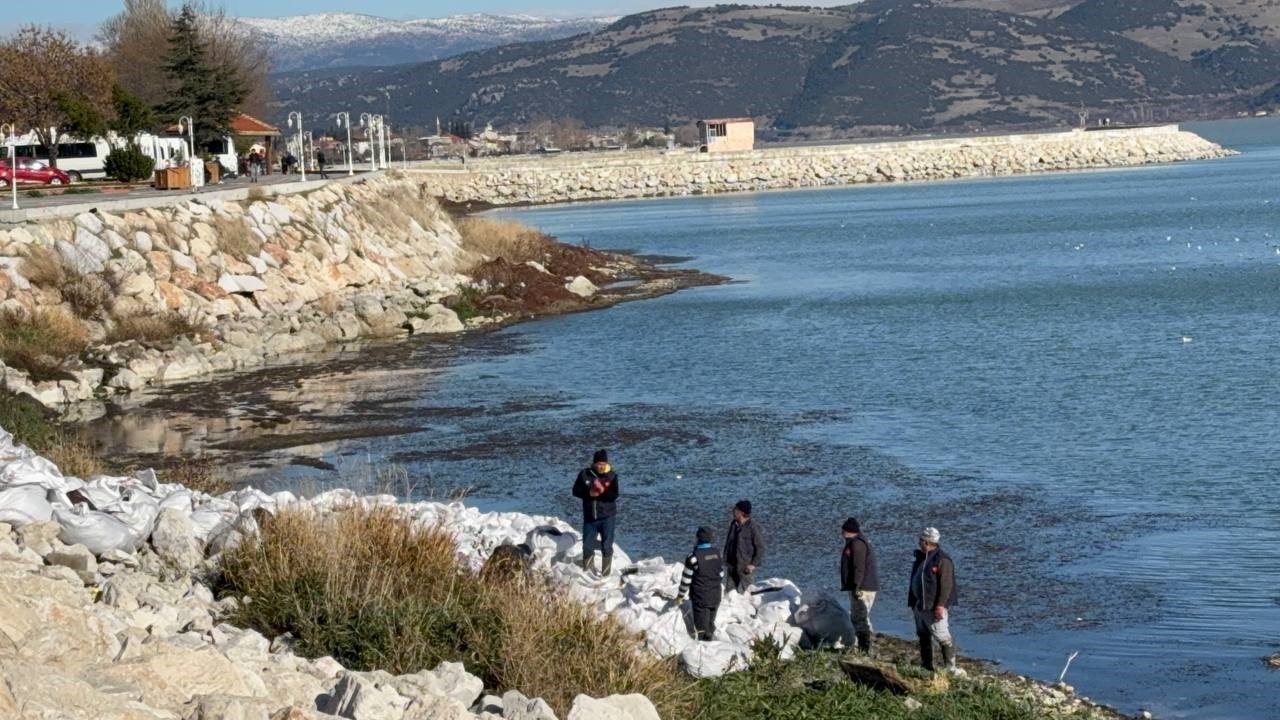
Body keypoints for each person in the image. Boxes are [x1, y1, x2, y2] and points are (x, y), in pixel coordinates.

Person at [908, 526, 963, 675]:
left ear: (926, 542)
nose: (919, 543)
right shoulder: (921, 558)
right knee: (923, 635)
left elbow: (946, 585)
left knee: (942, 635)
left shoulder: (942, 560)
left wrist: (940, 605)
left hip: (933, 606)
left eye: (921, 540)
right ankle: (927, 666)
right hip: (920, 605)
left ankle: (951, 668)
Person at [572, 449, 619, 576]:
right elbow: (575, 491)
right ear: (594, 464)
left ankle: (606, 574)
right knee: (587, 546)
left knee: (606, 547)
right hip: (590, 518)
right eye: (599, 463)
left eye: (603, 463)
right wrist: (589, 493)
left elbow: (614, 495)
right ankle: (588, 573)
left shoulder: (612, 476)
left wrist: (601, 491)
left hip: (607, 517)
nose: (601, 466)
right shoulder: (584, 475)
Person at [840, 517, 880, 656]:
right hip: (862, 586)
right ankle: (866, 646)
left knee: (860, 617)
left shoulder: (857, 545)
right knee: (861, 616)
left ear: (849, 531)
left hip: (863, 588)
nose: (842, 533)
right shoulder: (856, 542)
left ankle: (865, 649)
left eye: (843, 531)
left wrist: (857, 586)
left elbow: (859, 567)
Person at [676, 526, 723, 641]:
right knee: (710, 625)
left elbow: (686, 580)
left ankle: (704, 652)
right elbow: (721, 574)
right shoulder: (717, 554)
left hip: (701, 598)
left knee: (702, 629)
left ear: (697, 538)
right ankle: (711, 646)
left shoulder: (693, 557)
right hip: (716, 596)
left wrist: (680, 596)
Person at [723, 500, 764, 593]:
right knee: (730, 593)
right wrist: (725, 560)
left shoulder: (753, 527)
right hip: (732, 565)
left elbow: (760, 548)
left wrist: (753, 564)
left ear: (741, 512)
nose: (733, 511)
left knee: (748, 593)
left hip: (745, 567)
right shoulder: (733, 525)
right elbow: (728, 543)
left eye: (735, 509)